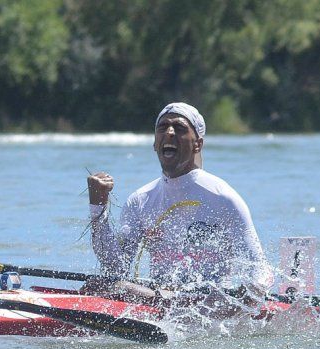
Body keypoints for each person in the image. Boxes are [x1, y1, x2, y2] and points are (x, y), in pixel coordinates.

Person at [85, 102, 272, 319]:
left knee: (119, 287)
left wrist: (247, 299)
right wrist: (97, 206)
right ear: (155, 143)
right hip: (158, 302)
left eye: (180, 128)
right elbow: (115, 266)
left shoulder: (223, 198)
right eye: (163, 127)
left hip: (207, 307)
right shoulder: (140, 201)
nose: (170, 132)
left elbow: (260, 270)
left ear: (197, 144)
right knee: (102, 284)